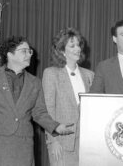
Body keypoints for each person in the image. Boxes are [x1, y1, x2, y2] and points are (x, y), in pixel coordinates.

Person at [0, 36, 75, 166]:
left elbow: (39, 113)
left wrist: (56, 126)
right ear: (9, 55)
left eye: (30, 51)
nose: (29, 54)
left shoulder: (35, 82)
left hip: (24, 148)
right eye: (24, 51)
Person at [42, 28, 94, 166]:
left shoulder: (89, 75)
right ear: (62, 51)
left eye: (78, 45)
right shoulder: (51, 74)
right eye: (72, 46)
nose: (77, 48)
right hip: (62, 143)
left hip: (87, 144)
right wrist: (53, 141)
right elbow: (48, 110)